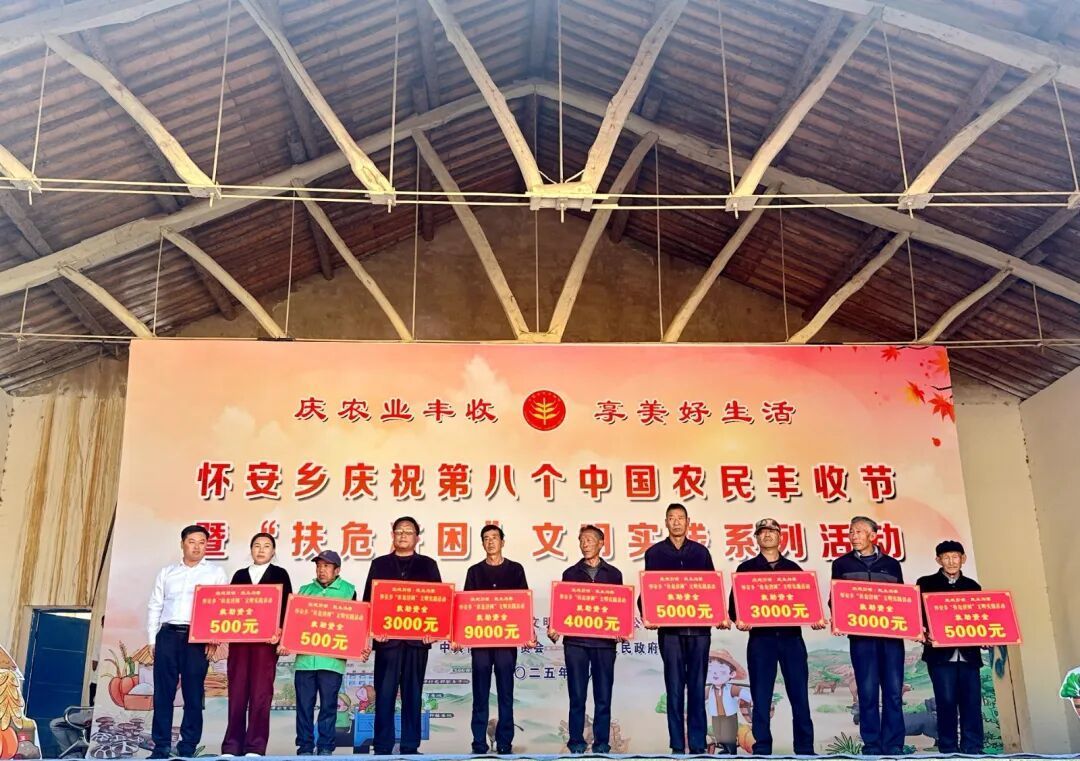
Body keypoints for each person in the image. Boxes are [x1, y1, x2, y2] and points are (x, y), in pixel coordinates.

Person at [729, 517, 824, 755]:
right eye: (762, 532)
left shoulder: (794, 569)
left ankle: (805, 749)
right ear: (756, 538)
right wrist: (740, 620)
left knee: (799, 696)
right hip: (761, 641)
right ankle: (762, 749)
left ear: (780, 537)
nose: (767, 535)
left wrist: (816, 617)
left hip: (792, 640)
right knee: (761, 697)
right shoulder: (746, 570)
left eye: (772, 531)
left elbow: (808, 603)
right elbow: (734, 608)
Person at [643, 503, 723, 754]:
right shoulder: (654, 553)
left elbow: (711, 587)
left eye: (681, 518)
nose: (676, 522)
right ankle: (677, 746)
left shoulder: (700, 552)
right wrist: (648, 613)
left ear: (689, 522)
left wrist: (720, 614)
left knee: (698, 689)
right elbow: (649, 588)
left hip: (699, 632)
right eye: (671, 518)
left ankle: (698, 746)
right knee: (674, 689)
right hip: (670, 633)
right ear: (665, 522)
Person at [362, 516, 442, 755]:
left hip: (417, 642)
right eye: (399, 531)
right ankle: (382, 746)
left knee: (413, 694)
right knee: (384, 694)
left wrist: (434, 632)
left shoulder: (428, 565)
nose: (403, 535)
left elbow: (439, 601)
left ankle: (410, 746)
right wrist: (372, 632)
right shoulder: (380, 564)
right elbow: (368, 601)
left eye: (408, 531)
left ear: (417, 537)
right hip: (387, 641)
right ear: (392, 535)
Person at [147, 524, 228, 759]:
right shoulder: (167, 572)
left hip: (198, 639)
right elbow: (155, 605)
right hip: (168, 635)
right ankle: (161, 746)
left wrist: (214, 638)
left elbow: (221, 607)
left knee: (193, 694)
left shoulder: (215, 573)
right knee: (163, 693)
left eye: (202, 543)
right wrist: (152, 640)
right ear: (182, 544)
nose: (197, 547)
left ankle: (188, 746)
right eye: (192, 542)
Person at [831, 516, 908, 755]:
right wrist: (839, 619)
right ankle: (872, 745)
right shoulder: (841, 564)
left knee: (893, 693)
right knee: (867, 693)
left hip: (891, 640)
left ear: (872, 536)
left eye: (859, 531)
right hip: (861, 639)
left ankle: (894, 745)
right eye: (851, 532)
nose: (853, 536)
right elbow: (835, 599)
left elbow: (903, 600)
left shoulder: (891, 564)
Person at [548, 525, 624, 754]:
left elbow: (619, 607)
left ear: (601, 543)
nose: (585, 544)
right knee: (577, 696)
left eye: (590, 539)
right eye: (582, 540)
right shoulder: (570, 574)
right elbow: (564, 606)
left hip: (604, 644)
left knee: (603, 697)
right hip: (576, 643)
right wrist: (556, 626)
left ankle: (601, 745)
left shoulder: (614, 574)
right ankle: (576, 743)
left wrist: (621, 628)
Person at [459, 524, 533, 754]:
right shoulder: (474, 571)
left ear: (503, 541)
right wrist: (458, 634)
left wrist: (527, 633)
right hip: (480, 643)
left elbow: (523, 604)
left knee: (505, 695)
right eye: (486, 538)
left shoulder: (515, 570)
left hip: (506, 644)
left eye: (494, 537)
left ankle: (504, 742)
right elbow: (466, 607)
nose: (490, 542)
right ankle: (478, 742)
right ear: (482, 543)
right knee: (480, 695)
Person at [221, 532, 294, 757]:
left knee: (261, 694)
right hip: (240, 643)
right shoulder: (240, 575)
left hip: (266, 645)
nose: (261, 550)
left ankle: (255, 746)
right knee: (237, 693)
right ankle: (232, 746)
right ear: (251, 549)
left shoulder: (280, 574)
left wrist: (282, 636)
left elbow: (288, 608)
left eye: (266, 546)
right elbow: (229, 606)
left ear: (273, 551)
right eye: (257, 546)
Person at [917, 540, 984, 754]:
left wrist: (985, 636)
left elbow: (981, 618)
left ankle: (973, 749)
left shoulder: (973, 586)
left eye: (955, 557)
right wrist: (922, 633)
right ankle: (948, 749)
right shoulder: (925, 584)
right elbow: (917, 616)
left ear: (963, 559)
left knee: (971, 703)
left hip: (968, 655)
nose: (951, 561)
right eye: (946, 557)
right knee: (945, 702)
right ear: (938, 560)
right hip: (940, 655)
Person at [293, 550, 359, 756]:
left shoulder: (349, 591)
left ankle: (325, 747)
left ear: (337, 570)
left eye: (327, 566)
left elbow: (354, 625)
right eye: (319, 566)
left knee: (329, 706)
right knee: (304, 706)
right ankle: (304, 746)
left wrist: (359, 645)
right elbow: (294, 622)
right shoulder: (304, 591)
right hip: (305, 660)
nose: (321, 570)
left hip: (332, 661)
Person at [704, 649, 752, 754]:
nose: (715, 674)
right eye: (710, 670)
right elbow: (700, 698)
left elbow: (743, 693)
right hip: (715, 716)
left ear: (732, 674)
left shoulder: (731, 689)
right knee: (718, 734)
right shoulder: (709, 690)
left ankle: (732, 751)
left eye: (720, 670)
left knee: (729, 736)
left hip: (729, 717)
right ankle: (725, 749)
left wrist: (752, 700)